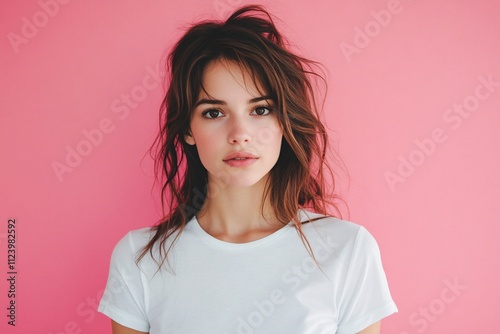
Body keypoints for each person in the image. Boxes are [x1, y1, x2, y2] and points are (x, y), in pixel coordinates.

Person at [98, 5, 398, 334]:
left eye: (261, 109)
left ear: (284, 122)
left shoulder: (348, 250)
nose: (240, 133)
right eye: (214, 113)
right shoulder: (140, 259)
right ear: (187, 129)